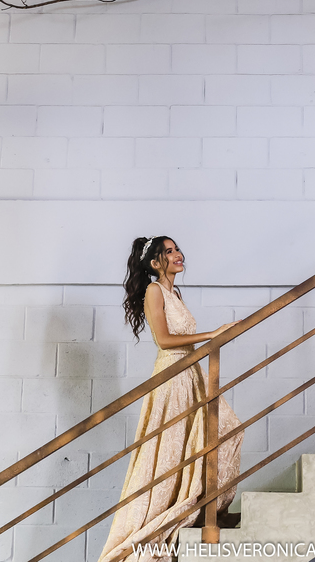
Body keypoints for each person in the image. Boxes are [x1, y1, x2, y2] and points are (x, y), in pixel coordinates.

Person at [97, 236, 245, 562]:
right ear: (155, 263)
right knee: (171, 450)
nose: (178, 254)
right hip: (173, 374)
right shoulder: (154, 291)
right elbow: (164, 340)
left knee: (224, 430)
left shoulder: (175, 293)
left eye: (177, 249)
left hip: (190, 371)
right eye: (169, 251)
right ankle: (179, 519)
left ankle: (205, 509)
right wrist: (212, 334)